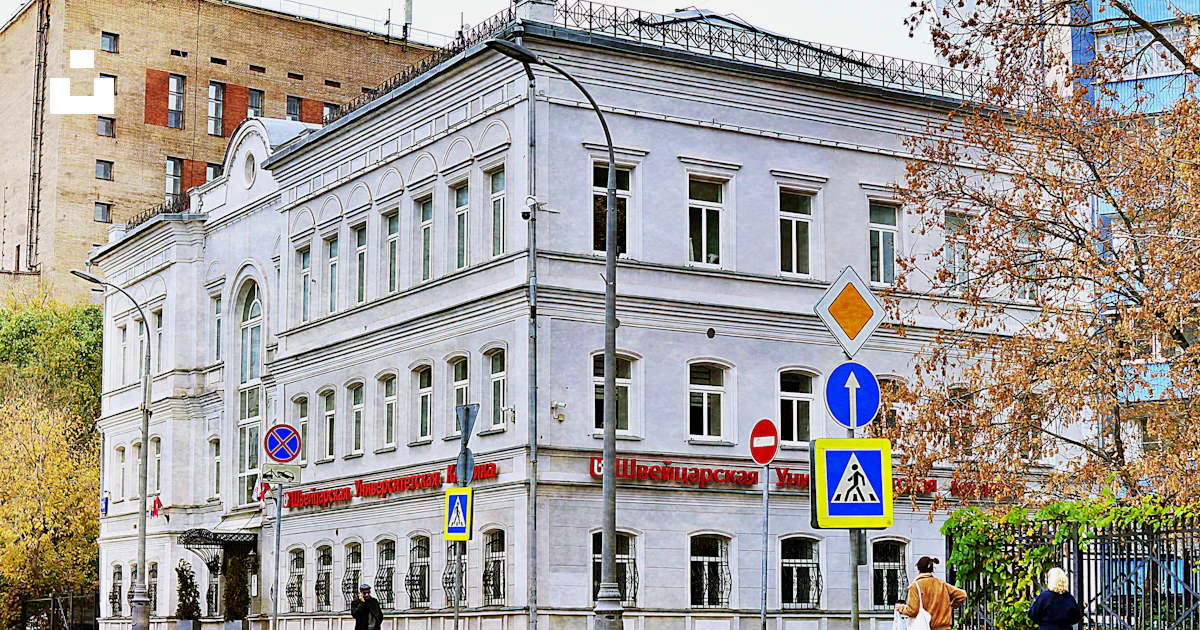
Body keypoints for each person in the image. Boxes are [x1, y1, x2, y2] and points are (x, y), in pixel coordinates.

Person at [895, 556, 967, 630]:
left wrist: (901, 607)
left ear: (919, 570)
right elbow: (962, 595)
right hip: (945, 628)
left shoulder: (915, 586)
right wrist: (952, 605)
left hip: (926, 627)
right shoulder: (942, 584)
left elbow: (913, 610)